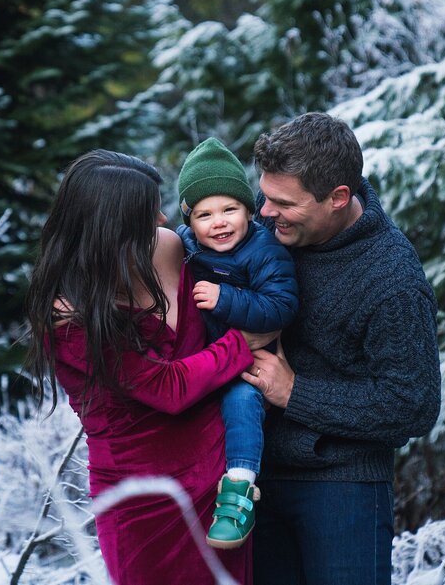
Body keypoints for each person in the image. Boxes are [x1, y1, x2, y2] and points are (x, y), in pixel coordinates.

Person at [26, 150, 276, 585]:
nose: (162, 220)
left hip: (221, 488)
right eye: (146, 215)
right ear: (109, 230)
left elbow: (248, 256)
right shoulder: (67, 316)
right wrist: (244, 342)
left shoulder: (171, 248)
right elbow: (167, 388)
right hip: (143, 503)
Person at [242, 112, 441, 585]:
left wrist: (295, 393)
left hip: (342, 485)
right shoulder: (271, 220)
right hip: (252, 473)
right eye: (263, 196)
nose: (264, 212)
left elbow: (413, 405)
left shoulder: (392, 281)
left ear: (338, 199)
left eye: (282, 203)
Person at [174, 137, 298, 549]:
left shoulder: (264, 250)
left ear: (249, 210)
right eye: (205, 214)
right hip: (203, 360)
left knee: (241, 401)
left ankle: (241, 489)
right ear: (189, 222)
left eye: (230, 209)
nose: (219, 222)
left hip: (245, 363)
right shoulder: (184, 247)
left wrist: (226, 297)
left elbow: (281, 306)